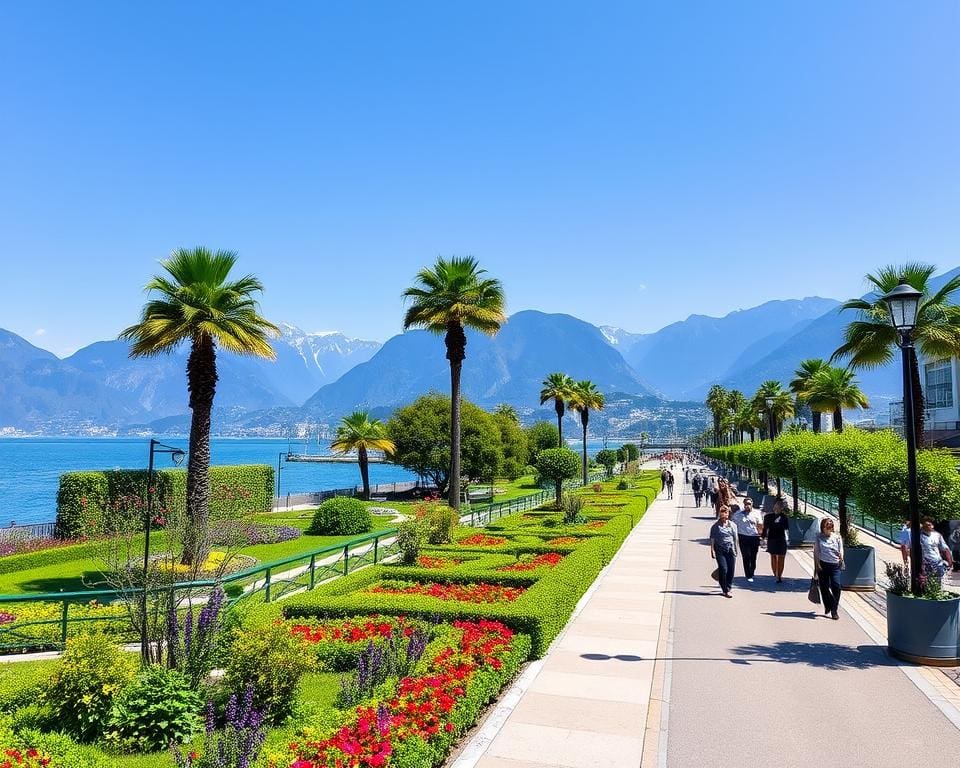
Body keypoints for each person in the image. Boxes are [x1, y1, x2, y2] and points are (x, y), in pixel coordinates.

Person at [813, 518, 844, 620]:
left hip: (835, 565)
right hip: (823, 565)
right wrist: (817, 566)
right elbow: (816, 552)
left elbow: (841, 550)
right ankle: (828, 605)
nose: (829, 528)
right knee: (824, 588)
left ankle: (834, 610)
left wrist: (841, 557)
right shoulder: (819, 537)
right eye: (827, 526)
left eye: (830, 527)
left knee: (837, 586)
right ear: (822, 527)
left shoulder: (837, 537)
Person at [710, 505, 739, 598]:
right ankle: (725, 590)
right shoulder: (715, 526)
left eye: (726, 512)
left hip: (730, 549)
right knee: (723, 568)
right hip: (720, 550)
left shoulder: (732, 525)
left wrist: (736, 549)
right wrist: (712, 550)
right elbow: (712, 539)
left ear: (728, 514)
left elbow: (735, 538)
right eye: (722, 512)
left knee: (731, 570)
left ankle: (728, 586)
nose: (724, 515)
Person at [732, 497, 763, 582]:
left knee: (753, 557)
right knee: (746, 556)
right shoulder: (738, 514)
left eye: (749, 504)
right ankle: (748, 574)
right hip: (743, 537)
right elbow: (733, 524)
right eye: (746, 504)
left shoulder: (757, 513)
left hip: (754, 537)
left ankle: (752, 570)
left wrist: (761, 535)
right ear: (744, 504)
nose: (747, 506)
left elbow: (760, 525)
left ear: (752, 504)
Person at [763, 498, 790, 583]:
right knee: (773, 555)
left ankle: (779, 576)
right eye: (776, 505)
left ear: (782, 508)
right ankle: (775, 573)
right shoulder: (768, 516)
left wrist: (777, 524)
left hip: (781, 538)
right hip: (772, 538)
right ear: (774, 506)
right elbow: (766, 527)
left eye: (780, 506)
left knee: (781, 557)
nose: (778, 507)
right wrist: (763, 537)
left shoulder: (784, 517)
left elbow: (786, 527)